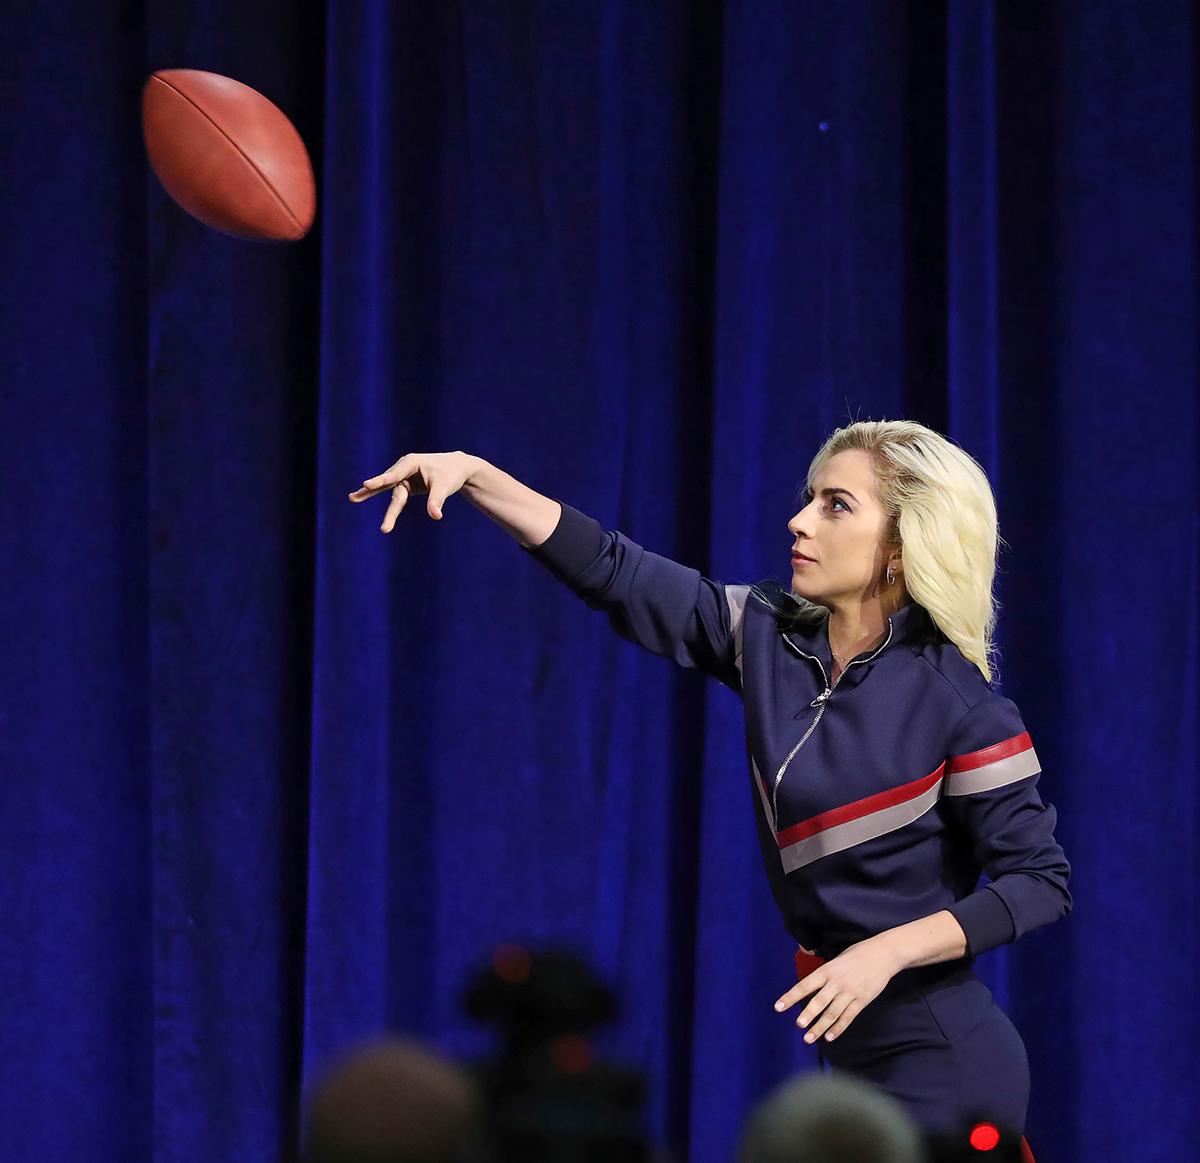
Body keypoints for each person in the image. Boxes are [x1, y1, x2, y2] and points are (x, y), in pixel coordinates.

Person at [346, 419, 1072, 1140]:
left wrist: (886, 950)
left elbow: (1041, 880)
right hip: (851, 1055)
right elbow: (615, 570)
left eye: (836, 504)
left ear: (900, 545)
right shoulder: (767, 635)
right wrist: (476, 475)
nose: (799, 519)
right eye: (809, 496)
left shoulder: (962, 703)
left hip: (943, 1058)